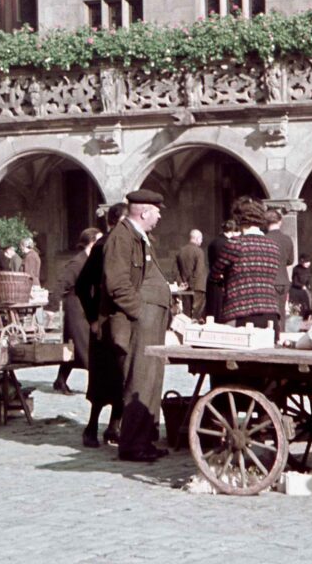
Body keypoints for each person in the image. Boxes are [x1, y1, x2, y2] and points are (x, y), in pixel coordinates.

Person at [100, 190, 171, 462]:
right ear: (144, 213)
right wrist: (140, 312)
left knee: (151, 382)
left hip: (150, 322)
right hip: (138, 323)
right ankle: (131, 445)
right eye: (156, 210)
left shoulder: (139, 238)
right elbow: (117, 283)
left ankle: (145, 440)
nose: (160, 215)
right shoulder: (122, 237)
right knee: (139, 380)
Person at [77, 203, 127, 448]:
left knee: (122, 376)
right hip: (104, 322)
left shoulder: (133, 244)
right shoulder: (102, 245)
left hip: (125, 322)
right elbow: (82, 285)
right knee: (102, 377)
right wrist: (93, 319)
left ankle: (114, 426)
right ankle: (92, 427)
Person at [210, 197, 283, 332]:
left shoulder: (235, 244)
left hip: (240, 314)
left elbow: (214, 274)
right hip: (270, 315)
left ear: (238, 219)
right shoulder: (274, 247)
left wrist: (222, 278)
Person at [52, 228, 101, 396]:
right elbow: (61, 283)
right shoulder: (78, 262)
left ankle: (60, 380)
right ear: (92, 242)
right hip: (76, 309)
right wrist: (51, 307)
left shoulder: (92, 260)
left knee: (74, 347)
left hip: (87, 307)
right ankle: (95, 387)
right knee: (85, 347)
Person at [205, 219, 238, 320]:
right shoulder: (228, 244)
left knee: (211, 312)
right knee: (219, 313)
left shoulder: (213, 242)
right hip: (222, 281)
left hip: (212, 279)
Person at [265, 211, 294, 316]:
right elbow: (290, 261)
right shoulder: (287, 239)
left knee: (269, 315)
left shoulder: (264, 239)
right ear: (280, 222)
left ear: (265, 222)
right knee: (281, 314)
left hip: (269, 280)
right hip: (284, 279)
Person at [175, 229, 207, 319]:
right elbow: (198, 271)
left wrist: (181, 282)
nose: (201, 241)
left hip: (184, 288)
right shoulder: (199, 251)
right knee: (196, 315)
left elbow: (176, 270)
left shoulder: (180, 251)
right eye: (201, 239)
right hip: (198, 287)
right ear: (197, 238)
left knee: (186, 314)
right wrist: (191, 283)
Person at [289, 254, 312, 320]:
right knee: (297, 308)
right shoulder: (296, 269)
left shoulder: (309, 269)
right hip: (296, 291)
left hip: (304, 291)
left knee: (307, 308)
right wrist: (302, 286)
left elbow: (309, 280)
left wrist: (309, 286)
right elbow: (294, 282)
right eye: (306, 262)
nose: (308, 264)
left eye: (309, 262)